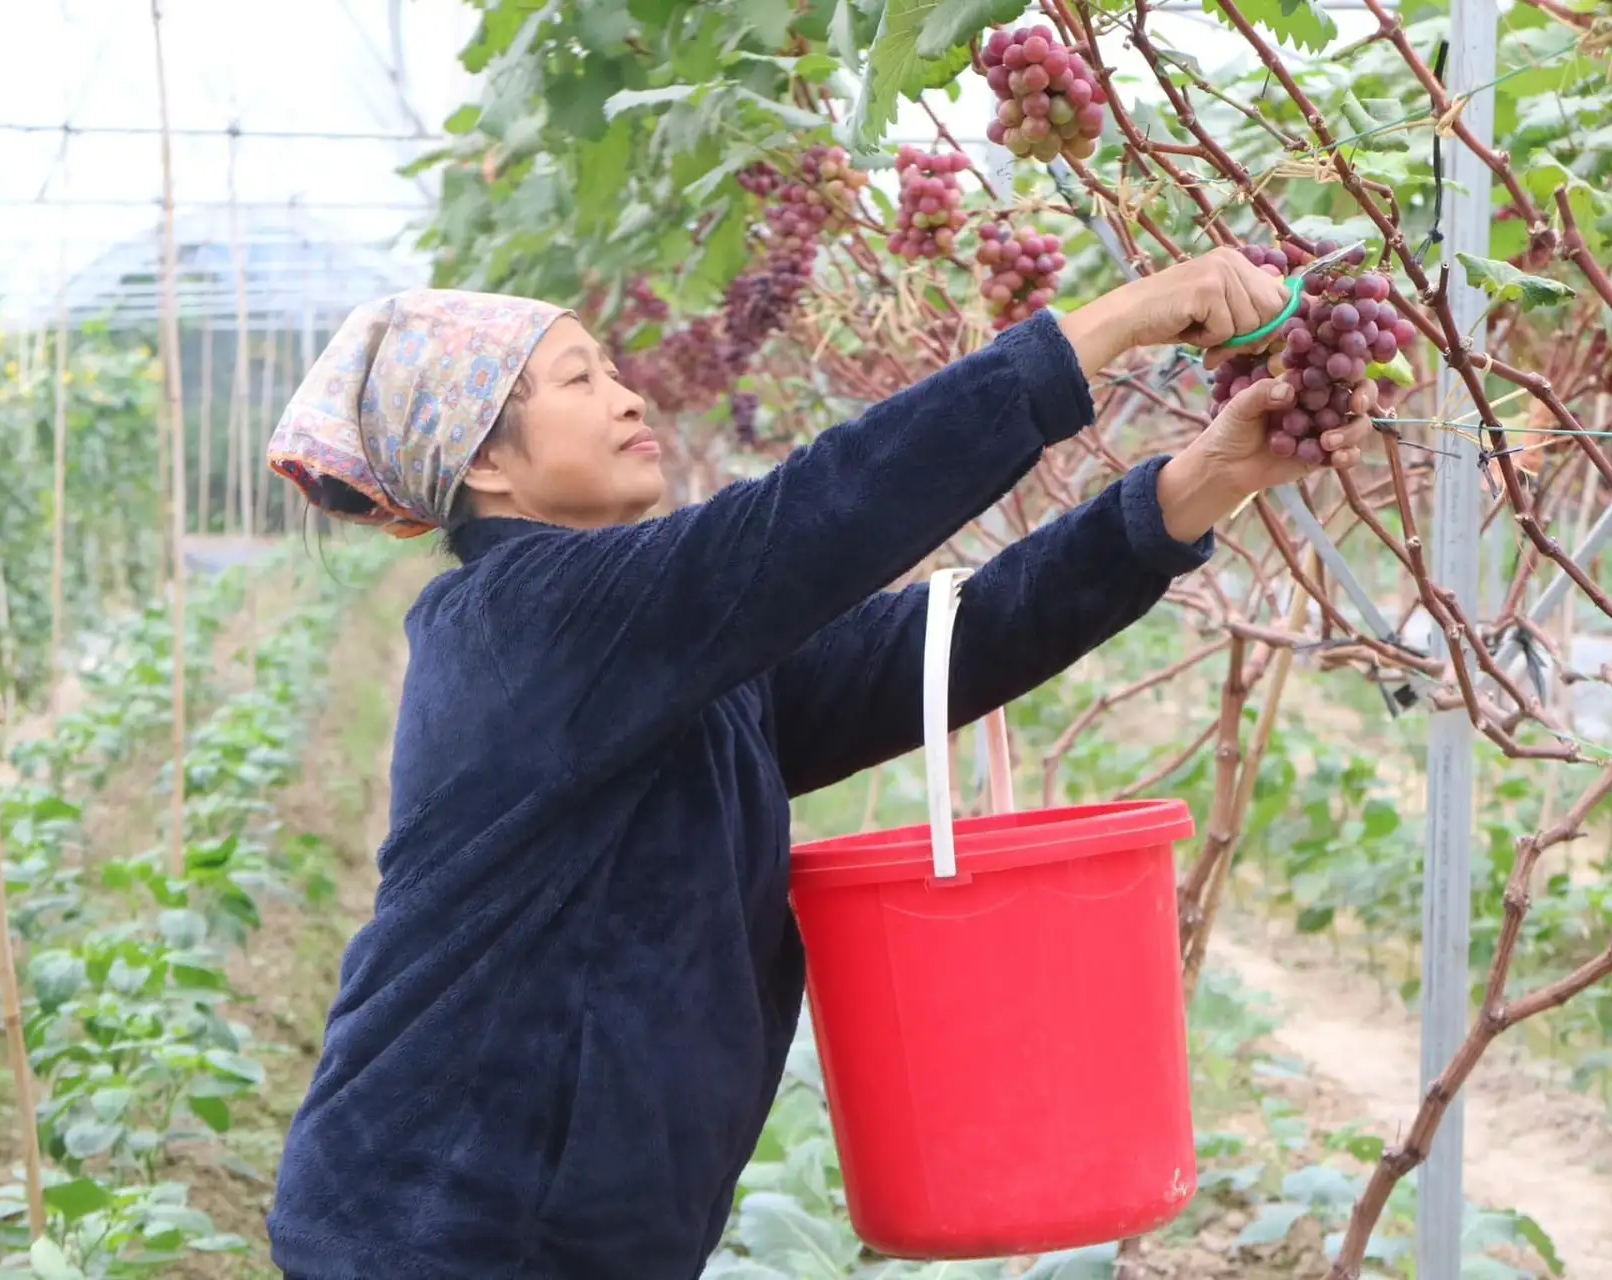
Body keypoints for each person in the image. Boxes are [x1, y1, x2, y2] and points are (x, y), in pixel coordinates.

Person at [263, 250, 1372, 1280]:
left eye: (613, 369)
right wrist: (1119, 320)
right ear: (486, 463)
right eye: (578, 380)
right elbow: (820, 514)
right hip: (440, 1238)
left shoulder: (652, 651)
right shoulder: (524, 622)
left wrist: (1201, 481)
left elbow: (932, 650)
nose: (629, 397)